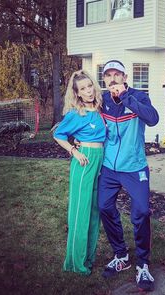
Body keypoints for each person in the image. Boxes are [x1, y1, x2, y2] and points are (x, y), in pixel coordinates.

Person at [98, 60, 159, 291]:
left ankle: (143, 264)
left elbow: (153, 119)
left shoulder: (139, 96)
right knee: (104, 206)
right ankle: (121, 255)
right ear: (104, 79)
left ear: (125, 77)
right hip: (110, 168)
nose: (112, 79)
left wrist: (126, 98)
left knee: (142, 212)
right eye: (108, 75)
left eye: (117, 74)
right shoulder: (101, 100)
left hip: (135, 167)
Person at [53, 70, 106, 275]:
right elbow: (59, 135)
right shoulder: (77, 113)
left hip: (100, 161)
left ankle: (89, 258)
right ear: (77, 93)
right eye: (82, 88)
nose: (88, 91)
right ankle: (75, 262)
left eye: (89, 86)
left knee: (95, 212)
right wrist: (74, 151)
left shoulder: (100, 108)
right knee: (80, 213)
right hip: (84, 160)